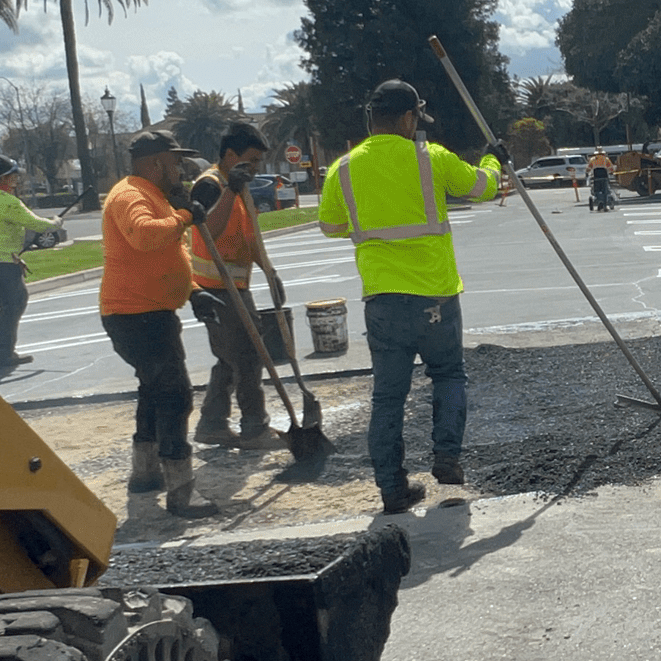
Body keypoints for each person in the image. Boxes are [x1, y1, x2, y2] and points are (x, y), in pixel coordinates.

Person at [317, 79, 505, 515]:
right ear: (407, 118)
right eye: (416, 117)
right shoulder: (430, 158)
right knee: (449, 375)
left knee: (387, 397)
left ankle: (392, 489)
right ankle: (446, 456)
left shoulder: (343, 169)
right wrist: (496, 159)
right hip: (436, 295)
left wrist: (369, 226)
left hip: (383, 301)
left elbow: (330, 225)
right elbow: (482, 188)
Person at [98, 127, 218, 518]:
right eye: (174, 161)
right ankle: (181, 489)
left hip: (147, 312)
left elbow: (168, 256)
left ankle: (145, 473)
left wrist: (194, 292)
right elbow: (144, 237)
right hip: (136, 316)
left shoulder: (153, 195)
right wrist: (185, 215)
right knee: (174, 395)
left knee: (154, 391)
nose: (180, 169)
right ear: (154, 163)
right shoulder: (131, 195)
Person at [186, 123, 283, 448]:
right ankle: (254, 427)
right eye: (251, 160)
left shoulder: (236, 186)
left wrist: (269, 271)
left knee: (232, 356)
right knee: (248, 355)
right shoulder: (211, 185)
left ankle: (212, 423)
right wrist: (230, 191)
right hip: (214, 287)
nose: (256, 169)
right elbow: (207, 231)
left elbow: (248, 237)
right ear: (230, 155)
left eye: (259, 163)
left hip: (235, 285)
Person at [0, 155, 63, 373]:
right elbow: (35, 223)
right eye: (13, 176)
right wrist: (55, 223)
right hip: (0, 260)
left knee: (12, 302)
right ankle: (3, 352)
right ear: (3, 178)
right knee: (14, 303)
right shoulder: (7, 201)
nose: (16, 179)